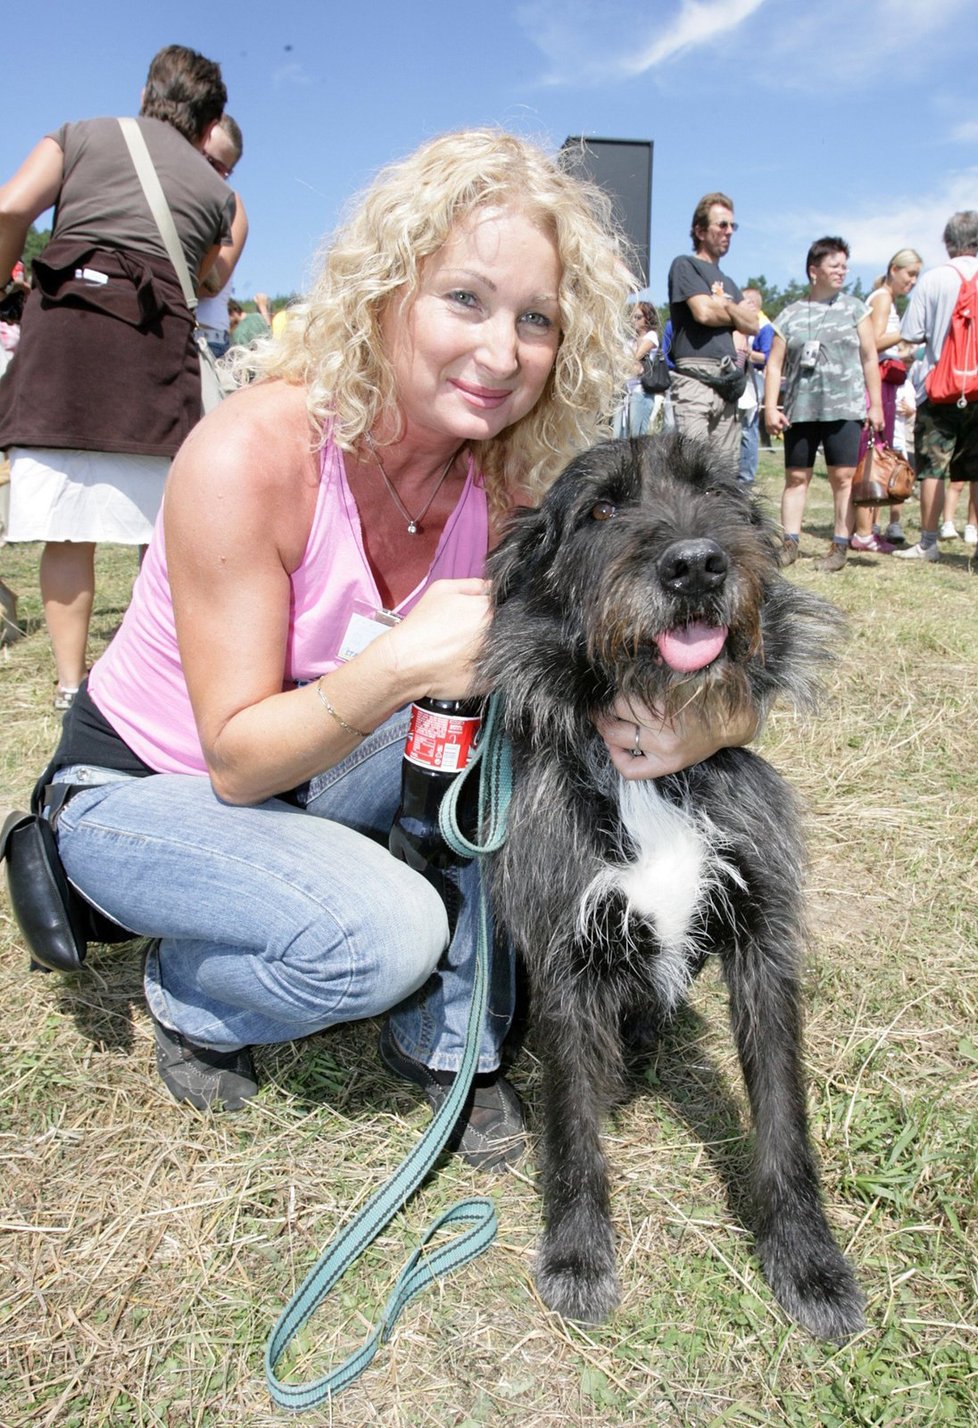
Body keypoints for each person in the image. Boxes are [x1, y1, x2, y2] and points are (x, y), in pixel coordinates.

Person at [35, 130, 756, 1171]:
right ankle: (190, 993)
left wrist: (717, 722)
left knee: (514, 703)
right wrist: (404, 666)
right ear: (385, 296)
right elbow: (234, 758)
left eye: (536, 319)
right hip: (156, 785)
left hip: (313, 781)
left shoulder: (507, 492)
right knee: (380, 935)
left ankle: (445, 1044)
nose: (501, 351)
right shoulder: (256, 452)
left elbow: (636, 660)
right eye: (464, 299)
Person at [0, 44, 234, 709]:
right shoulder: (217, 193)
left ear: (145, 93)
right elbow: (203, 279)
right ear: (208, 123)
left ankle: (71, 685)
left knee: (66, 528)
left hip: (67, 340)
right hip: (152, 353)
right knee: (157, 537)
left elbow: (12, 207)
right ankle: (146, 677)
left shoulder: (78, 137)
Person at [764, 237, 883, 572]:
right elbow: (774, 364)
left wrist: (875, 406)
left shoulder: (856, 309)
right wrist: (771, 406)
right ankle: (790, 543)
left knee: (843, 478)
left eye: (845, 266)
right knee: (796, 477)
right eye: (835, 265)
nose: (842, 271)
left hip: (844, 407)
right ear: (813, 270)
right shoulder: (789, 315)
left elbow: (870, 358)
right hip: (801, 409)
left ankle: (839, 546)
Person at [895, 210, 978, 563]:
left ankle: (929, 542)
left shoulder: (932, 280)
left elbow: (911, 334)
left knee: (932, 468)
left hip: (938, 388)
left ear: (948, 243)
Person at [667, 191, 759, 473]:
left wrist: (725, 306)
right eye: (722, 225)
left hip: (727, 381)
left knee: (724, 475)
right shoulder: (685, 265)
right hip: (695, 380)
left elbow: (753, 324)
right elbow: (703, 312)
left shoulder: (729, 283)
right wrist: (735, 312)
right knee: (692, 470)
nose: (729, 232)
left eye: (732, 226)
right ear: (700, 230)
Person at [850, 248, 922, 552]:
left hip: (884, 383)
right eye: (910, 274)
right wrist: (910, 333)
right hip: (876, 385)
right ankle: (863, 533)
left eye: (917, 275)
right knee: (872, 455)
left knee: (878, 453)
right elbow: (875, 342)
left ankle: (867, 528)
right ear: (894, 269)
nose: (913, 281)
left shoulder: (884, 299)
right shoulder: (881, 298)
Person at [196, 115, 249, 359]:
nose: (205, 170)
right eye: (202, 156)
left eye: (218, 168)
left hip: (204, 341)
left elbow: (210, 285)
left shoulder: (232, 206)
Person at [735, 288, 774, 484]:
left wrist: (748, 352)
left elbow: (768, 356)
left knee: (748, 428)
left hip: (754, 381)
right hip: (741, 379)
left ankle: (746, 477)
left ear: (752, 305)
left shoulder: (765, 327)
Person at [613, 300, 660, 438]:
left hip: (641, 394)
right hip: (624, 394)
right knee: (618, 437)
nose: (634, 320)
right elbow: (622, 363)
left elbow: (636, 357)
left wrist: (627, 363)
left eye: (638, 317)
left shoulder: (651, 336)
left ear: (647, 318)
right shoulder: (630, 341)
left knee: (637, 440)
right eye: (632, 317)